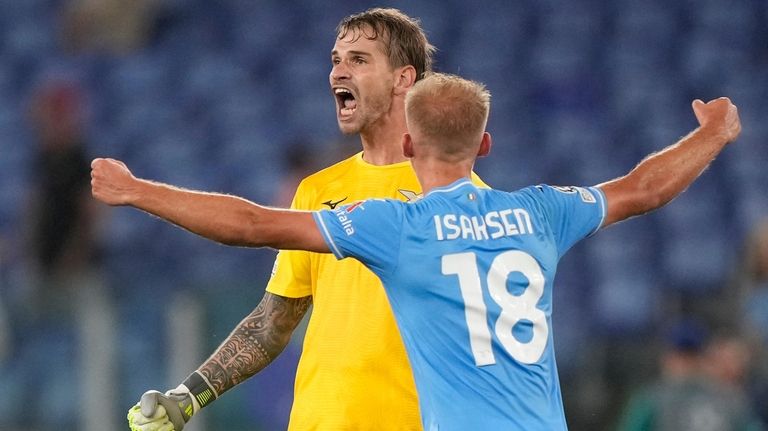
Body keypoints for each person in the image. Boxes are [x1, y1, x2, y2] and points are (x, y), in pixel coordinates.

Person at [93, 72, 741, 429]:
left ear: (407, 148)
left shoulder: (393, 227)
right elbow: (642, 189)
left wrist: (138, 190)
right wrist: (712, 132)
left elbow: (251, 223)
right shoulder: (542, 210)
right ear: (484, 147)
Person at [118, 8, 488, 431]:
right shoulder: (318, 190)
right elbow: (271, 325)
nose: (338, 73)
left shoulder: (459, 195)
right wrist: (187, 396)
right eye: (335, 60)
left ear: (403, 79)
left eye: (359, 60)